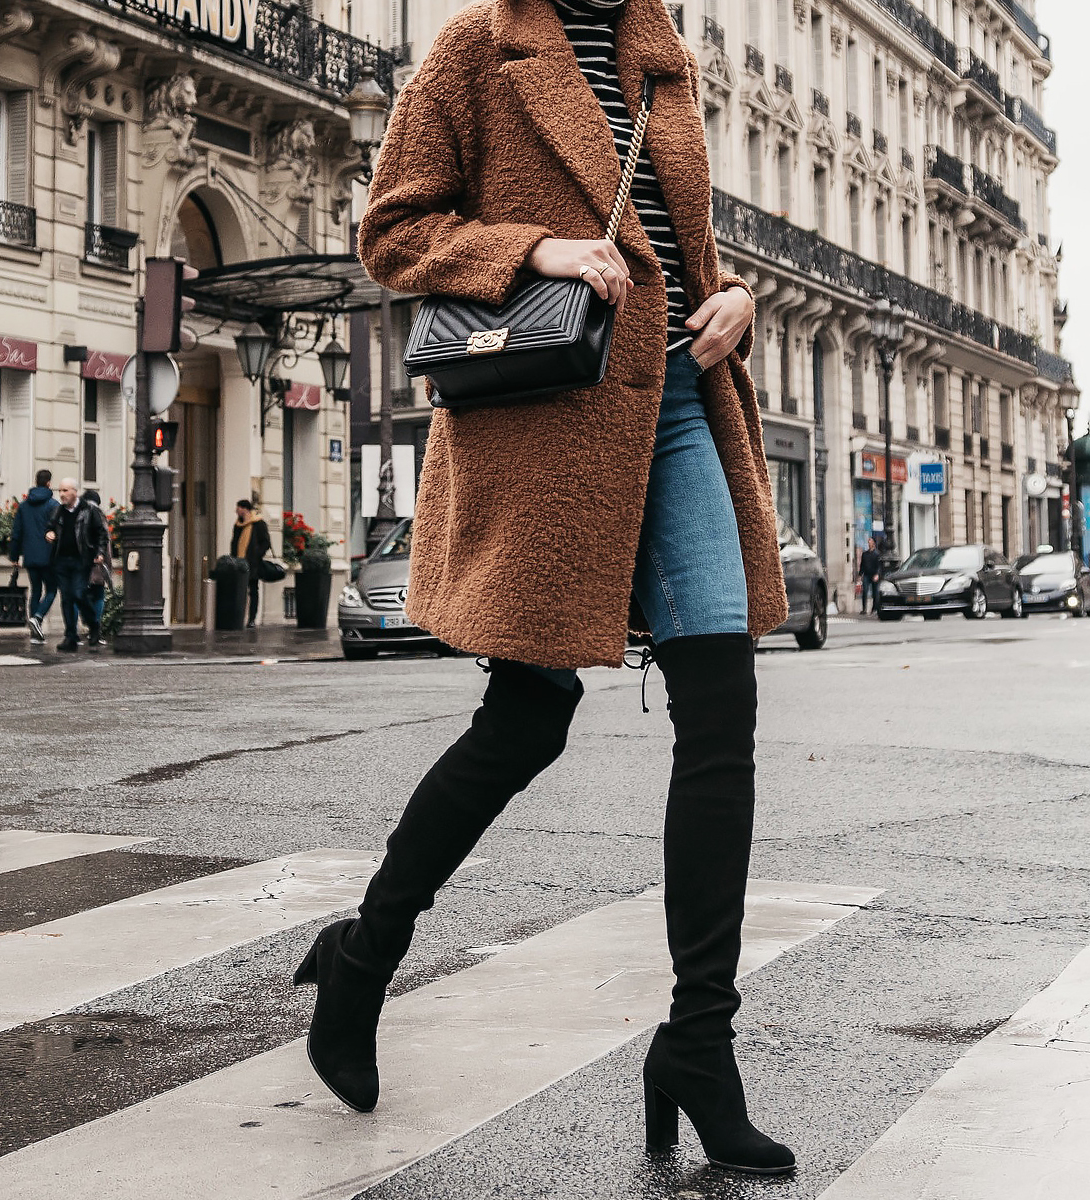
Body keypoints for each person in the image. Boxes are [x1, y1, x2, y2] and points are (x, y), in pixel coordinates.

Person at [294, 0, 793, 1177]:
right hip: (548, 420)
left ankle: (698, 1046)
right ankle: (364, 956)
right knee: (525, 718)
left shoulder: (661, 54)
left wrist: (736, 299)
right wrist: (534, 249)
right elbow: (394, 232)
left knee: (721, 709)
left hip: (678, 405)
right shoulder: (480, 46)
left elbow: (676, 239)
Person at [44, 477, 102, 652]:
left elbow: (100, 533)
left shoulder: (89, 510)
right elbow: (49, 527)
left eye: (65, 491)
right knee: (67, 599)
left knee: (78, 593)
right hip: (61, 560)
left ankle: (93, 625)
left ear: (75, 492)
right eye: (60, 491)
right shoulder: (57, 511)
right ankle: (70, 637)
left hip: (80, 559)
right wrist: (49, 533)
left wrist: (99, 553)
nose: (62, 495)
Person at [8, 469, 58, 644]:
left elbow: (17, 533)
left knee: (35, 590)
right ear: (49, 483)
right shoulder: (53, 505)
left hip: (30, 556)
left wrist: (14, 556)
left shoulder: (23, 506)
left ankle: (35, 634)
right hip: (48, 556)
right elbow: (58, 530)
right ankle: (37, 618)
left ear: (36, 481)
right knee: (51, 589)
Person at [231, 499, 273, 626]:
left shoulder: (258, 523)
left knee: (253, 591)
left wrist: (256, 555)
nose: (236, 510)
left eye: (238, 507)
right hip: (239, 563)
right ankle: (238, 617)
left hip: (253, 564)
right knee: (239, 591)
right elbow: (234, 542)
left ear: (245, 509)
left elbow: (266, 542)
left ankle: (252, 619)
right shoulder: (238, 525)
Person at [81, 488, 115, 646]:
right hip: (97, 562)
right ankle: (94, 629)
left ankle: (87, 628)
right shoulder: (99, 516)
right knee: (98, 596)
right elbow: (105, 542)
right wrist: (107, 564)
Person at [859, 538, 883, 614]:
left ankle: (874, 608)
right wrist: (860, 575)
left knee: (875, 592)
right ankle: (864, 609)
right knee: (864, 591)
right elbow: (862, 565)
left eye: (870, 542)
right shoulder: (865, 554)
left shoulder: (877, 554)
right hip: (866, 574)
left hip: (874, 574)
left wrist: (877, 574)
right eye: (868, 542)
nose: (869, 543)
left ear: (874, 543)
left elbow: (879, 566)